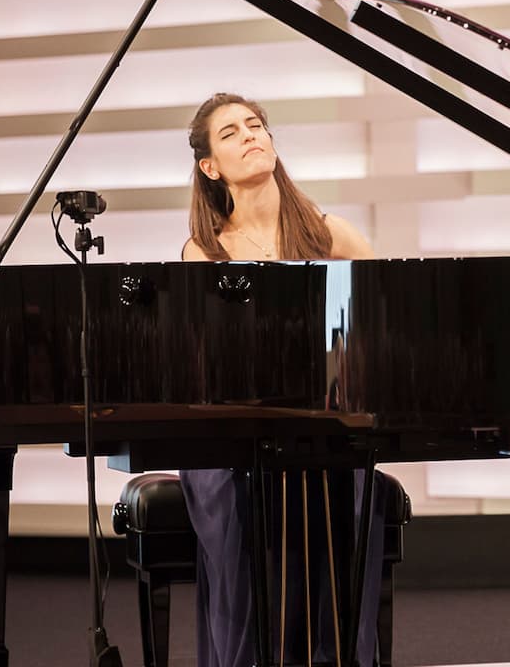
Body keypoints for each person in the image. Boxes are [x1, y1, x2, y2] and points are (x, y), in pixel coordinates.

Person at [179, 92, 383, 667]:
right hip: (232, 435)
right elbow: (208, 362)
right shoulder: (206, 251)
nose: (250, 135)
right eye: (231, 132)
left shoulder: (329, 233)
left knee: (342, 474)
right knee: (240, 500)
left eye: (256, 125)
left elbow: (386, 323)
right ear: (210, 167)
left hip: (325, 425)